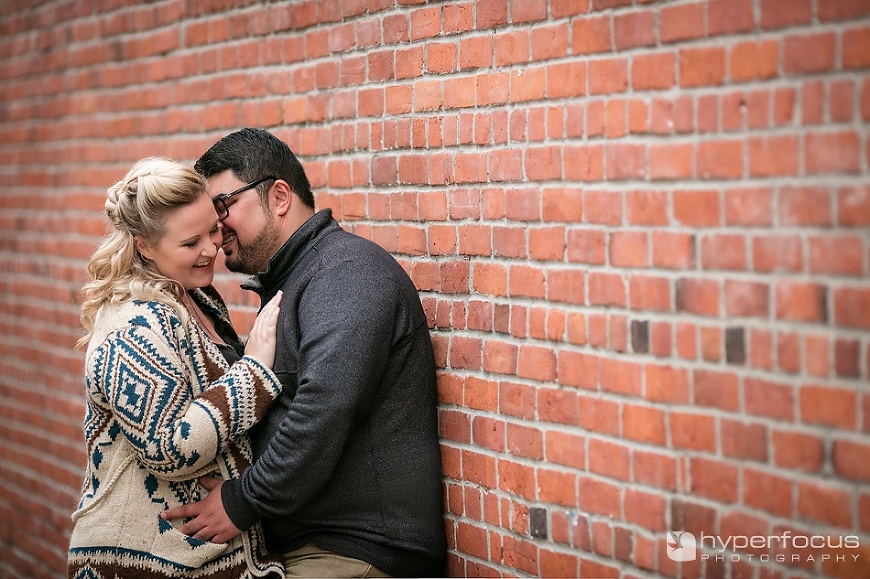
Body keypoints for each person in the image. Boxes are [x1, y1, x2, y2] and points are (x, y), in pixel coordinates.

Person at [162, 128, 447, 578]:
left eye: (223, 206)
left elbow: (326, 405)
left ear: (279, 197)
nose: (216, 228)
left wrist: (242, 501)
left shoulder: (345, 272)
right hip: (311, 549)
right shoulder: (302, 279)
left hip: (357, 553)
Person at [68, 157, 286, 579]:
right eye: (191, 243)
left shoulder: (195, 298)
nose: (211, 249)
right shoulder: (131, 326)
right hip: (136, 563)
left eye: (212, 230)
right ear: (143, 245)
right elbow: (168, 447)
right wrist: (254, 371)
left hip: (199, 559)